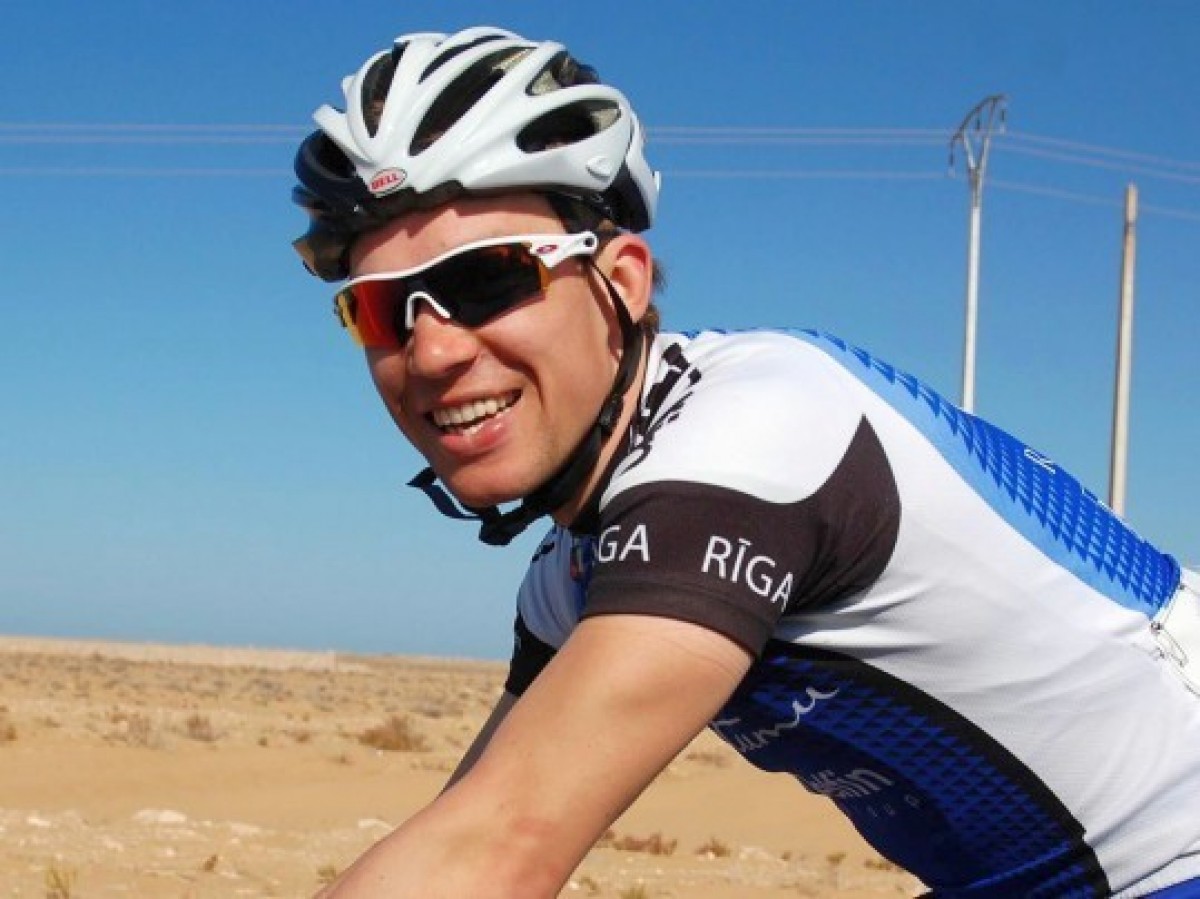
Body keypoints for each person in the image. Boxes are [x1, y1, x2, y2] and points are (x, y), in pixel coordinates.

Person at [291, 25, 1200, 899]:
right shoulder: (565, 579)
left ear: (623, 281)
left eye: (487, 279)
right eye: (380, 310)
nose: (433, 351)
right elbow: (461, 829)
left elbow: (500, 849)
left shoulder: (750, 437)